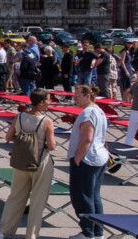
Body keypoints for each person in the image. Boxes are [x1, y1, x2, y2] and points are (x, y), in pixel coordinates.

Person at [0, 89, 56, 239]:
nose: (50, 102)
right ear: (41, 102)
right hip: (40, 161)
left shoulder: (19, 116)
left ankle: (3, 230)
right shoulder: (46, 121)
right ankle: (31, 234)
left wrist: (24, 141)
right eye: (48, 100)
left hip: (21, 160)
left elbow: (8, 137)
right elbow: (52, 146)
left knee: (15, 196)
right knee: (38, 200)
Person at [68, 84, 109, 239]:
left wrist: (77, 158)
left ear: (87, 96)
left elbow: (87, 139)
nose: (74, 98)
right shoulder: (99, 111)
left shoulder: (88, 113)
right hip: (98, 157)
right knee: (94, 196)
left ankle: (88, 233)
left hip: (87, 159)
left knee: (82, 197)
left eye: (77, 95)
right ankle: (97, 232)